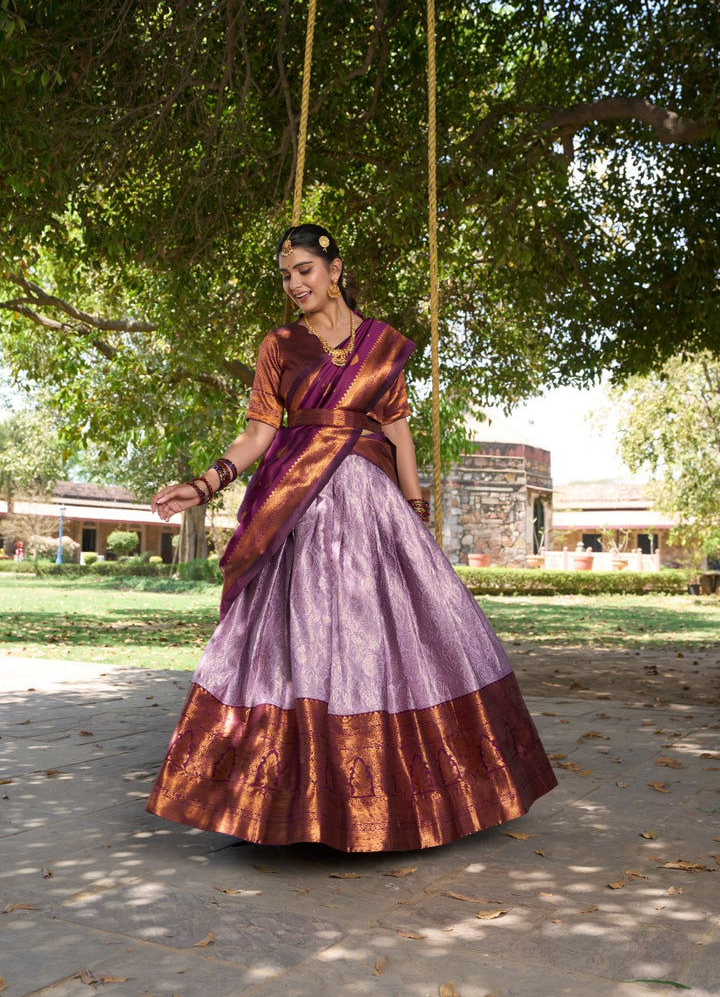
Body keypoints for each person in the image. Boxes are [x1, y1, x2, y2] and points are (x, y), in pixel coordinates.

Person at [147, 223, 557, 852]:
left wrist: (416, 510)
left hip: (372, 504)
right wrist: (203, 485)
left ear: (335, 269)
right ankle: (291, 801)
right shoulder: (279, 345)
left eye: (305, 270)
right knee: (302, 641)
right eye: (286, 275)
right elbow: (258, 433)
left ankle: (409, 800)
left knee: (389, 641)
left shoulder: (383, 346)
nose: (295, 284)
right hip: (300, 507)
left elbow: (398, 433)